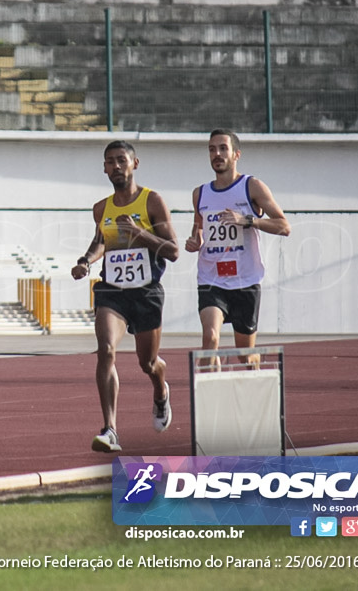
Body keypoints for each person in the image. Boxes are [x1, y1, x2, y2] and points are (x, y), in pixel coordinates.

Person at [71, 140, 179, 453]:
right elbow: (100, 242)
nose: (116, 166)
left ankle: (160, 389)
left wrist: (139, 233)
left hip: (146, 293)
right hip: (112, 292)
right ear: (104, 168)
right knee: (105, 349)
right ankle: (110, 430)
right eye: (110, 162)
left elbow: (172, 251)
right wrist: (85, 261)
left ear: (135, 163)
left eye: (121, 160)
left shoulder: (152, 201)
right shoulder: (101, 208)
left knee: (147, 363)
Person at [184, 128, 290, 368]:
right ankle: (211, 396)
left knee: (244, 354)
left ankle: (254, 367)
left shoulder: (251, 187)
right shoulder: (200, 194)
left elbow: (284, 226)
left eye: (223, 148)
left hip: (245, 280)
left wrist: (248, 220)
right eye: (212, 149)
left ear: (236, 154)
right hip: (212, 278)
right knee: (210, 338)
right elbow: (199, 229)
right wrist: (195, 241)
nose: (217, 154)